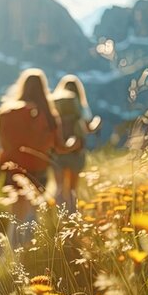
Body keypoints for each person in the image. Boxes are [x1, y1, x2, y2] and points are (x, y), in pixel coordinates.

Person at [0, 68, 71, 247]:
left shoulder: (7, 112)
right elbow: (60, 146)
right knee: (33, 211)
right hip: (38, 168)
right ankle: (29, 252)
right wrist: (76, 143)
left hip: (13, 167)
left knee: (16, 214)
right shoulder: (49, 115)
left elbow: (2, 144)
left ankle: (13, 254)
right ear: (43, 89)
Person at [51, 75, 100, 213]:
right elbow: (88, 128)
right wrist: (96, 122)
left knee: (59, 187)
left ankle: (57, 220)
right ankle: (71, 218)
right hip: (76, 152)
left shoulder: (55, 104)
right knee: (72, 189)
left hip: (57, 152)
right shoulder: (80, 106)